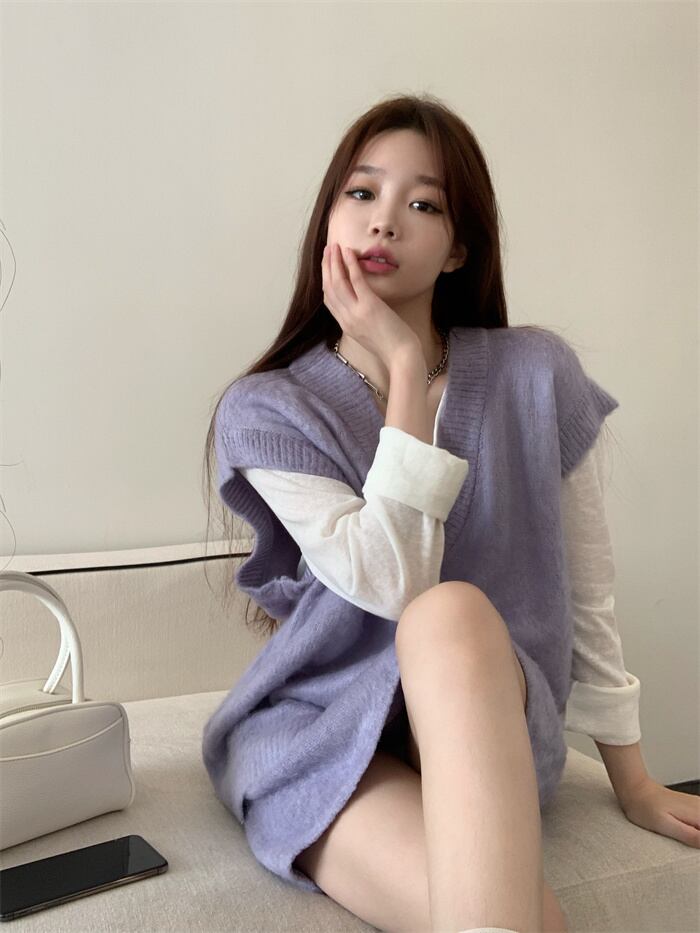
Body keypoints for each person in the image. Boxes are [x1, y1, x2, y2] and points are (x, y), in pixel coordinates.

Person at [201, 94, 697, 933]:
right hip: (323, 734)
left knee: (453, 616)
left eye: (423, 204)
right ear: (329, 218)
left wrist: (636, 779)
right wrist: (403, 367)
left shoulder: (535, 374)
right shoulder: (269, 410)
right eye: (362, 193)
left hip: (487, 720)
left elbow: (588, 592)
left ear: (459, 247)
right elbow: (393, 583)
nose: (384, 220)